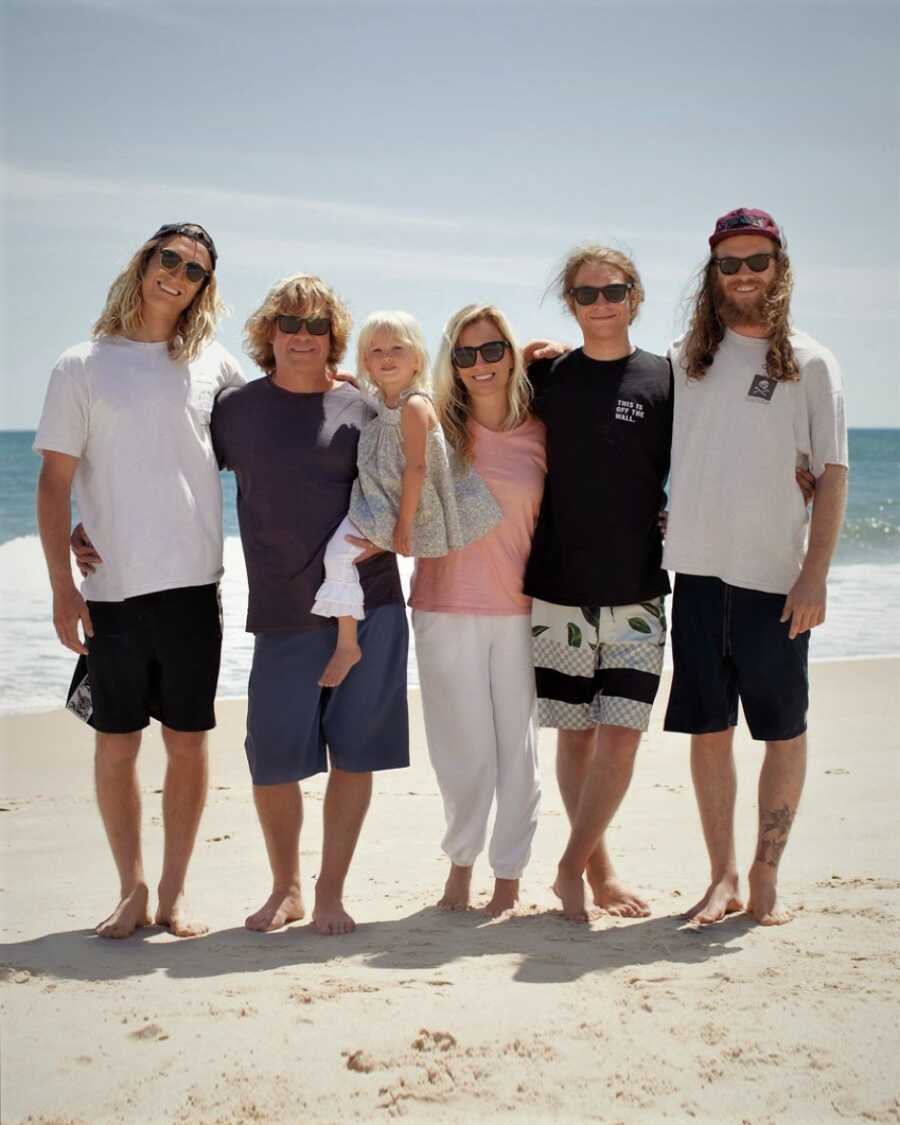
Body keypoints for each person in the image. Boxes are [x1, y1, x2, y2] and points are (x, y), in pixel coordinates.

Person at [34, 222, 244, 939]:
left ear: (201, 289)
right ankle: (131, 888)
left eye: (194, 270)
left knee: (187, 740)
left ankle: (174, 894)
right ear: (145, 262)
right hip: (111, 592)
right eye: (170, 259)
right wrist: (63, 585)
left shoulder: (214, 365)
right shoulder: (81, 363)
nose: (177, 275)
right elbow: (54, 481)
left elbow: (279, 418)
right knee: (116, 741)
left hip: (194, 587)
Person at [663, 207, 848, 926]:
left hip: (777, 579)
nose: (743, 276)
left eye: (757, 261)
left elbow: (831, 473)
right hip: (698, 574)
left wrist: (816, 574)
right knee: (709, 728)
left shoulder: (811, 360)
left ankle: (767, 871)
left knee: (781, 729)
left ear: (780, 266)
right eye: (729, 264)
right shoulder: (687, 357)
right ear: (713, 274)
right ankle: (722, 875)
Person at [211, 275, 410, 936]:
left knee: (354, 752)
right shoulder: (234, 410)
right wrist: (89, 521)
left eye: (316, 326)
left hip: (371, 603)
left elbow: (423, 454)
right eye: (289, 324)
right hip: (281, 611)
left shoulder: (361, 407)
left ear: (333, 338)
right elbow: (171, 475)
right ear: (269, 333)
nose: (302, 336)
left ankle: (330, 891)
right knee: (271, 755)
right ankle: (286, 885)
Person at [524, 246, 673, 923]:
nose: (602, 302)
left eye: (614, 289)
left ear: (634, 295)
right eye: (586, 294)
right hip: (558, 585)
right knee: (576, 734)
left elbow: (705, 463)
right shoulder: (546, 375)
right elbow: (472, 401)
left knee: (624, 732)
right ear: (572, 303)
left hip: (639, 586)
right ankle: (599, 870)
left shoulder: (667, 380)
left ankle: (567, 865)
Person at [410, 305, 546, 916]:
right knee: (460, 749)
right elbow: (377, 408)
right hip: (443, 606)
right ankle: (461, 864)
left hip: (521, 609)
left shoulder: (544, 430)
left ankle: (510, 877)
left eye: (493, 350)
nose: (481, 365)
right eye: (465, 355)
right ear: (452, 365)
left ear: (512, 354)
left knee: (517, 751)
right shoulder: (434, 425)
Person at [311, 310, 500, 688]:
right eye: (376, 351)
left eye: (397, 348)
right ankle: (347, 637)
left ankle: (348, 644)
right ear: (366, 361)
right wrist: (349, 382)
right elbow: (379, 408)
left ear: (417, 359)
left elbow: (416, 468)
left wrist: (403, 525)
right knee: (343, 553)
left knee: (338, 554)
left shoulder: (415, 406)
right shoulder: (386, 403)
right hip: (384, 499)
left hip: (398, 506)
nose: (387, 357)